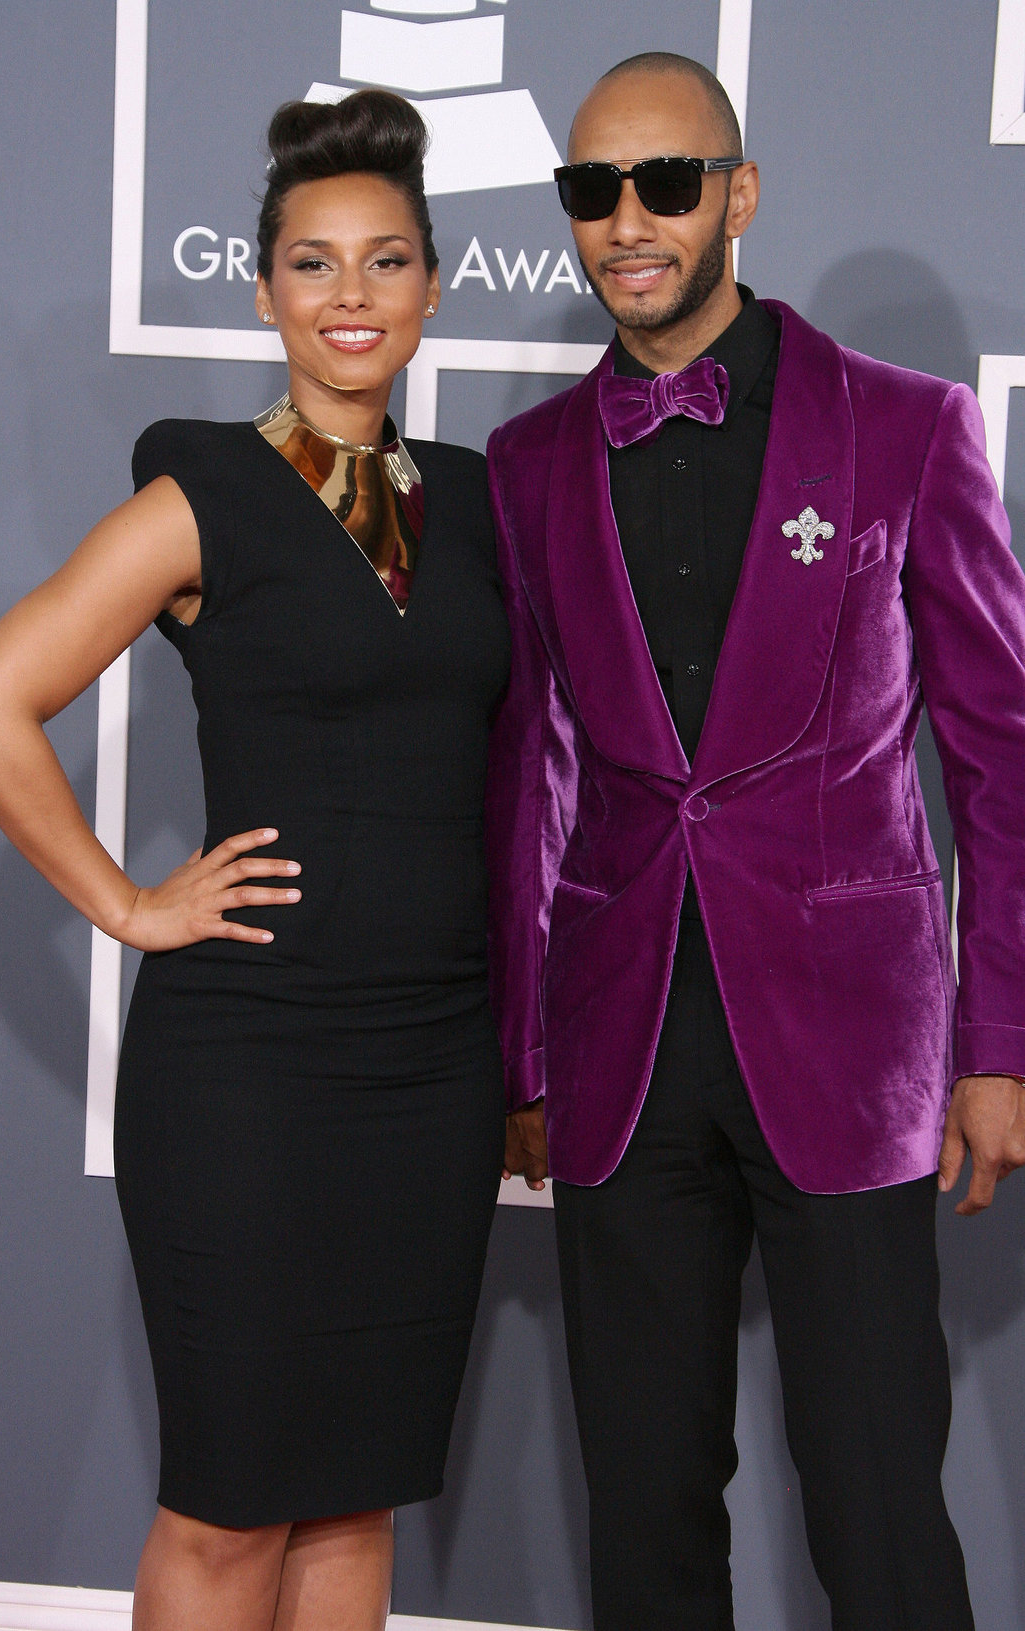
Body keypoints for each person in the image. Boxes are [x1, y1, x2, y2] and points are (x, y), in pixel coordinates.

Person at [0, 89, 509, 1631]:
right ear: (261, 288)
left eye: (384, 261)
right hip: (252, 1066)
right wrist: (129, 903)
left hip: (437, 1063)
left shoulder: (478, 509)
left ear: (433, 284)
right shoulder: (206, 493)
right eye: (313, 264)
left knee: (351, 1493)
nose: (349, 297)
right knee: (227, 1506)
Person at [486, 50, 1025, 1631]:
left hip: (853, 1048)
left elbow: (1001, 759)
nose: (627, 222)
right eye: (593, 190)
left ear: (741, 194)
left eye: (665, 182)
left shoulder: (909, 431)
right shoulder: (527, 469)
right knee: (643, 1507)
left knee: (874, 1500)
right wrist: (522, 1054)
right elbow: (527, 775)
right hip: (619, 1045)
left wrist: (999, 1043)